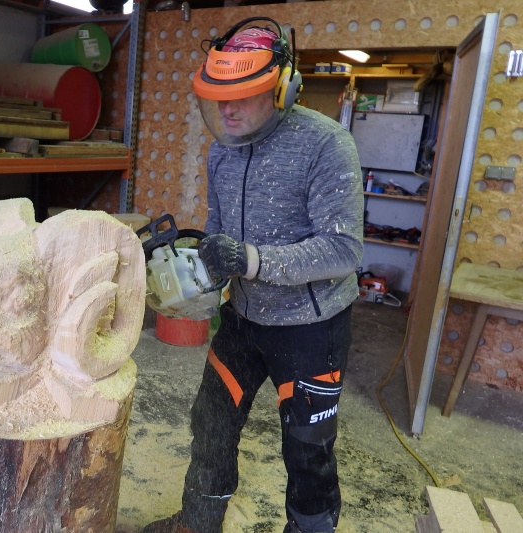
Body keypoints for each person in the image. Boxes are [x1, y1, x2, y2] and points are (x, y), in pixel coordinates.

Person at [142, 17, 364, 533]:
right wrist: (199, 270)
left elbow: (343, 249)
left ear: (283, 89)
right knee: (211, 422)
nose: (227, 110)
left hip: (310, 329)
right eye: (219, 98)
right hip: (242, 317)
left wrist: (250, 259)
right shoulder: (223, 148)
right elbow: (220, 229)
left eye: (242, 96)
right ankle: (198, 523)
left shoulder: (327, 144)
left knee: (308, 452)